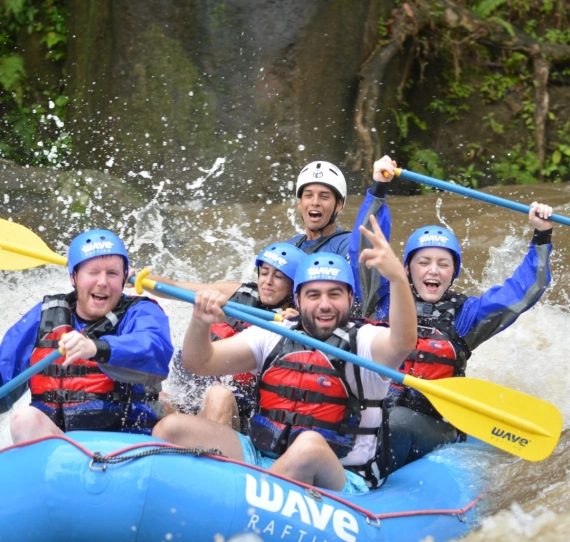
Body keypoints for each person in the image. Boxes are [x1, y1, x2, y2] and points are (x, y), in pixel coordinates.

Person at [152, 217, 417, 493]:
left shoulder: (364, 342)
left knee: (309, 446)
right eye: (313, 295)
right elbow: (200, 362)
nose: (324, 304)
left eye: (334, 294)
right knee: (172, 429)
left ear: (350, 300)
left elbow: (403, 341)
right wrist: (200, 321)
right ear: (298, 299)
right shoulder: (275, 332)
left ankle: (237, 505)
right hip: (261, 459)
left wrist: (398, 279)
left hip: (339, 476)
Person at [387, 202, 554, 472]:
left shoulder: (466, 316)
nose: (433, 270)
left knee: (395, 422)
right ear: (407, 269)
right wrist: (378, 191)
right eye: (423, 262)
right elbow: (361, 254)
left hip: (433, 423)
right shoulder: (385, 303)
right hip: (378, 411)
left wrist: (542, 236)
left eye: (444, 264)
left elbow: (523, 291)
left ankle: (362, 486)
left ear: (453, 273)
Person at [0, 229, 174, 442]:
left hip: (127, 445)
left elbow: (154, 350)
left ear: (123, 278)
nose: (102, 282)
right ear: (73, 277)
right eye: (93, 272)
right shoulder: (44, 316)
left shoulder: (141, 312)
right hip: (58, 446)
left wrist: (96, 348)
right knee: (23, 419)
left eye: (112, 273)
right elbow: (4, 376)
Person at [138, 243, 306, 432]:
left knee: (220, 396)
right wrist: (139, 279)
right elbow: (176, 287)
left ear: (293, 285)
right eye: (264, 272)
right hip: (192, 396)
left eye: (278, 276)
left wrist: (293, 325)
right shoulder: (235, 292)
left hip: (236, 411)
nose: (267, 281)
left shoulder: (295, 322)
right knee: (157, 399)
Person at [289, 157, 397, 318]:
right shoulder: (291, 246)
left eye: (324, 197)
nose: (315, 202)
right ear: (300, 203)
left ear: (339, 205)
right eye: (308, 196)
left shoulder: (348, 245)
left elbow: (365, 247)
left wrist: (379, 187)